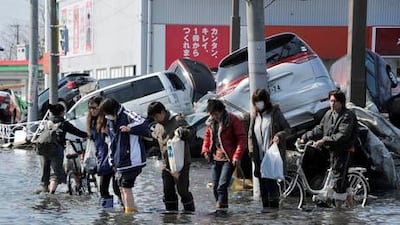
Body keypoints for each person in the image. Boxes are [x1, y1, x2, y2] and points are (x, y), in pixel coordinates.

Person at [300, 89, 358, 208]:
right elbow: (320, 129)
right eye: (331, 101)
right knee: (338, 177)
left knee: (339, 179)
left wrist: (323, 140)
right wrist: (305, 137)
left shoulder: (348, 116)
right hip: (332, 151)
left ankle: (338, 210)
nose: (332, 103)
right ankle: (350, 206)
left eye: (335, 101)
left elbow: (343, 135)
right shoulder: (328, 114)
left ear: (341, 102)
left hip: (344, 151)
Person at [99, 98, 151, 213]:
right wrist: (112, 160)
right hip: (120, 161)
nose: (106, 116)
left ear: (112, 110)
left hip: (133, 159)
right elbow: (111, 142)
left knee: (126, 187)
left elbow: (144, 123)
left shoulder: (127, 114)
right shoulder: (110, 121)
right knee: (121, 188)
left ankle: (129, 215)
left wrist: (130, 128)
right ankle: (129, 212)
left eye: (107, 113)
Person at [147, 101, 195, 212]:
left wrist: (184, 132)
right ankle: (171, 216)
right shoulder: (158, 126)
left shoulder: (177, 121)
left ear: (163, 112)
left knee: (182, 190)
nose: (155, 119)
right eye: (153, 117)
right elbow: (156, 140)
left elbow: (192, 131)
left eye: (156, 116)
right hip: (166, 164)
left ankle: (189, 214)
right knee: (168, 191)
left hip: (181, 163)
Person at [248, 88, 291, 209]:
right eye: (256, 101)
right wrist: (251, 152)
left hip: (272, 157)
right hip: (259, 158)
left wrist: (279, 136)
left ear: (265, 101)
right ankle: (266, 216)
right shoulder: (255, 116)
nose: (258, 104)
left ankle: (273, 215)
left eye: (260, 101)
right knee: (263, 191)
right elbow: (250, 135)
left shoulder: (275, 113)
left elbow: (288, 129)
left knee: (272, 189)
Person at [201, 99, 247, 210]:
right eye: (212, 114)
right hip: (216, 158)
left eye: (216, 114)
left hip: (229, 158)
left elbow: (242, 138)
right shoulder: (211, 123)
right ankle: (222, 208)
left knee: (222, 186)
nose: (214, 117)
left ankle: (221, 209)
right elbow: (207, 137)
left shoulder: (232, 120)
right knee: (215, 186)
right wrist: (205, 150)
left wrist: (237, 156)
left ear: (221, 111)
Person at [38, 103, 87, 194]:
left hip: (42, 147)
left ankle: (44, 189)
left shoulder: (47, 123)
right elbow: (78, 132)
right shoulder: (64, 123)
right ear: (61, 112)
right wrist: (89, 135)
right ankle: (51, 193)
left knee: (45, 170)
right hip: (56, 148)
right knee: (56, 172)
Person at [86, 96, 121, 208]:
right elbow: (94, 144)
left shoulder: (107, 121)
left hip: (112, 158)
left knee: (117, 188)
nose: (92, 110)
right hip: (102, 158)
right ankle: (107, 213)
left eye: (94, 108)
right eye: (90, 108)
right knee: (103, 189)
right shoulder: (91, 122)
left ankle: (125, 209)